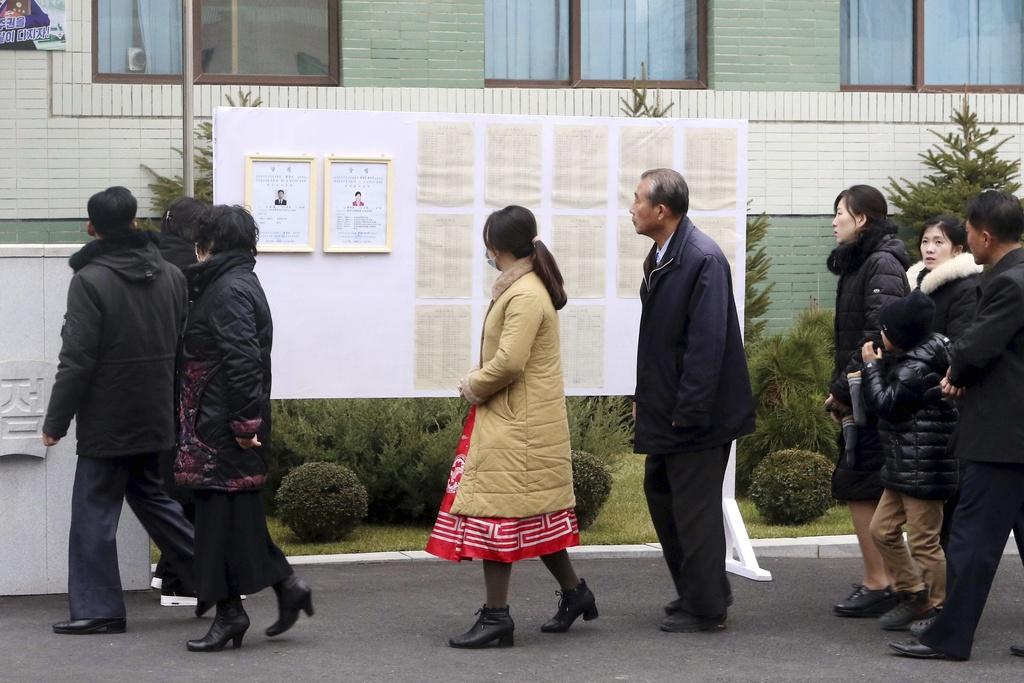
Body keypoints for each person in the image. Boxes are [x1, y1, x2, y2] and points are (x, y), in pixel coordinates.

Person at [425, 205, 596, 649]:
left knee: (492, 519)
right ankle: (576, 594)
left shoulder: (523, 294)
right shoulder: (526, 286)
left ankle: (497, 617)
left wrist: (471, 384)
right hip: (524, 422)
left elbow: (509, 363)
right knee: (536, 518)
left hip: (516, 426)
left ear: (495, 246)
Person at [42, 186, 196, 635]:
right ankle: (220, 577)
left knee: (94, 511)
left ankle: (98, 608)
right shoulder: (171, 275)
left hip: (108, 420)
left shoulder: (89, 280)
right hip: (156, 413)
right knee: (155, 500)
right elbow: (180, 347)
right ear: (135, 223)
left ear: (91, 229)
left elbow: (77, 360)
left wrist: (55, 422)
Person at [890, 190, 1024, 661]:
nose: (965, 238)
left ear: (984, 236)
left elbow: (973, 346)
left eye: (966, 231)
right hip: (1014, 433)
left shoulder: (1009, 283)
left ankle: (950, 638)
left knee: (970, 542)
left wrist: (956, 376)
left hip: (1002, 437)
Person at [175, 205, 313, 652]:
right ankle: (286, 586)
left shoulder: (229, 290)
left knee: (218, 522)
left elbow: (242, 361)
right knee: (235, 520)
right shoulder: (230, 283)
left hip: (221, 429)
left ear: (211, 244)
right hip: (216, 424)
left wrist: (243, 424)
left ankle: (231, 614)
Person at [630, 168, 754, 633]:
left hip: (696, 415)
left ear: (662, 210)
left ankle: (706, 609)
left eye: (637, 199)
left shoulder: (702, 258)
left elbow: (707, 345)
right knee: (662, 495)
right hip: (668, 407)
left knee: (694, 508)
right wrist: (646, 397)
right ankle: (703, 589)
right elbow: (661, 344)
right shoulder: (663, 255)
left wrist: (690, 411)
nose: (631, 207)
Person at [825, 184, 910, 618]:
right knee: (863, 485)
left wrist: (843, 389)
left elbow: (875, 337)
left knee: (860, 484)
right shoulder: (862, 262)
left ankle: (883, 581)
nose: (834, 220)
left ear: (862, 219)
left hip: (872, 399)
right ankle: (886, 577)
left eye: (840, 212)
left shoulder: (880, 263)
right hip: (863, 396)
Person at [860, 290, 957, 632]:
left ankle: (939, 609)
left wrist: (872, 367)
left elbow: (885, 404)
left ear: (898, 336)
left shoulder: (914, 368)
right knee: (882, 530)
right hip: (905, 464)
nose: (879, 335)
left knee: (923, 541)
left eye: (884, 329)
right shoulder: (913, 358)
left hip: (924, 467)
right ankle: (914, 593)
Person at [151, 195, 207, 607]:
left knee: (162, 481)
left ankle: (167, 569)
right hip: (188, 387)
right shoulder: (194, 270)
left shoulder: (150, 262)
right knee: (189, 482)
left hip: (151, 389)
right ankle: (181, 577)